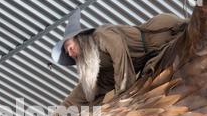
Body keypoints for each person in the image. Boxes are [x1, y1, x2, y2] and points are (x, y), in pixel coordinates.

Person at [51, 8, 188, 107]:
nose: (70, 53)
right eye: (67, 53)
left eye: (69, 47)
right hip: (157, 57)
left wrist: (122, 95)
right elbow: (86, 89)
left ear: (80, 39)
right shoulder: (100, 66)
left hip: (164, 31)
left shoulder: (100, 35)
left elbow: (119, 53)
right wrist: (59, 114)